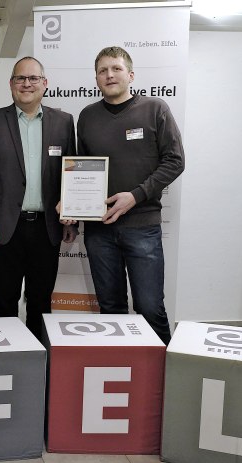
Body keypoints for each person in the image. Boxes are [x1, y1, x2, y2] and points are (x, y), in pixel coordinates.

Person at [77, 46, 185, 345]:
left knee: (150, 309)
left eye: (116, 68)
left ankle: (162, 382)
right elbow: (81, 169)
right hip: (99, 229)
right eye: (102, 70)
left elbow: (175, 161)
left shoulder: (154, 109)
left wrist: (135, 196)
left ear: (131, 75)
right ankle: (121, 377)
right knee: (110, 309)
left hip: (142, 226)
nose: (109, 75)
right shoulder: (87, 117)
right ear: (96, 78)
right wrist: (73, 202)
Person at [0, 56, 78, 341]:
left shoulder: (64, 122)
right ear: (11, 84)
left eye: (33, 78)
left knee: (41, 303)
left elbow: (71, 173)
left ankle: (39, 364)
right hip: (4, 229)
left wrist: (72, 216)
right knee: (5, 304)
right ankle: (6, 359)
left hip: (46, 228)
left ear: (44, 84)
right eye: (20, 78)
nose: (27, 84)